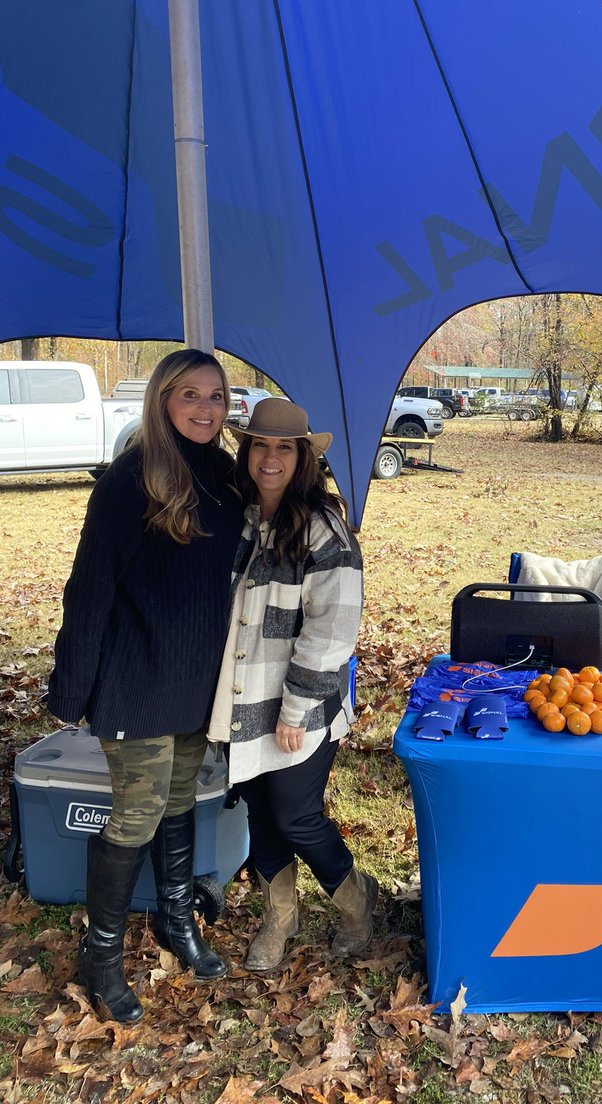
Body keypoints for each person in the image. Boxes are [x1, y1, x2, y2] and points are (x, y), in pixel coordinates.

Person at [47, 349, 244, 1024]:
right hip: (135, 679)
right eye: (190, 394)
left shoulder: (226, 477)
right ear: (162, 401)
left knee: (179, 799)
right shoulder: (130, 481)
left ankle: (175, 919)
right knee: (138, 812)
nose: (205, 408)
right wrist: (71, 688)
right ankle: (100, 955)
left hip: (195, 678)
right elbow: (89, 589)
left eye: (215, 396)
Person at [208, 397, 373, 970]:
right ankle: (280, 917)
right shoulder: (239, 517)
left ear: (303, 458)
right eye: (260, 444)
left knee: (296, 816)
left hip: (298, 703)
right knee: (260, 811)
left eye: (284, 447)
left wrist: (295, 708)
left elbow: (331, 631)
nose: (270, 457)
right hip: (239, 696)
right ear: (247, 451)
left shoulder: (325, 531)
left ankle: (356, 902)